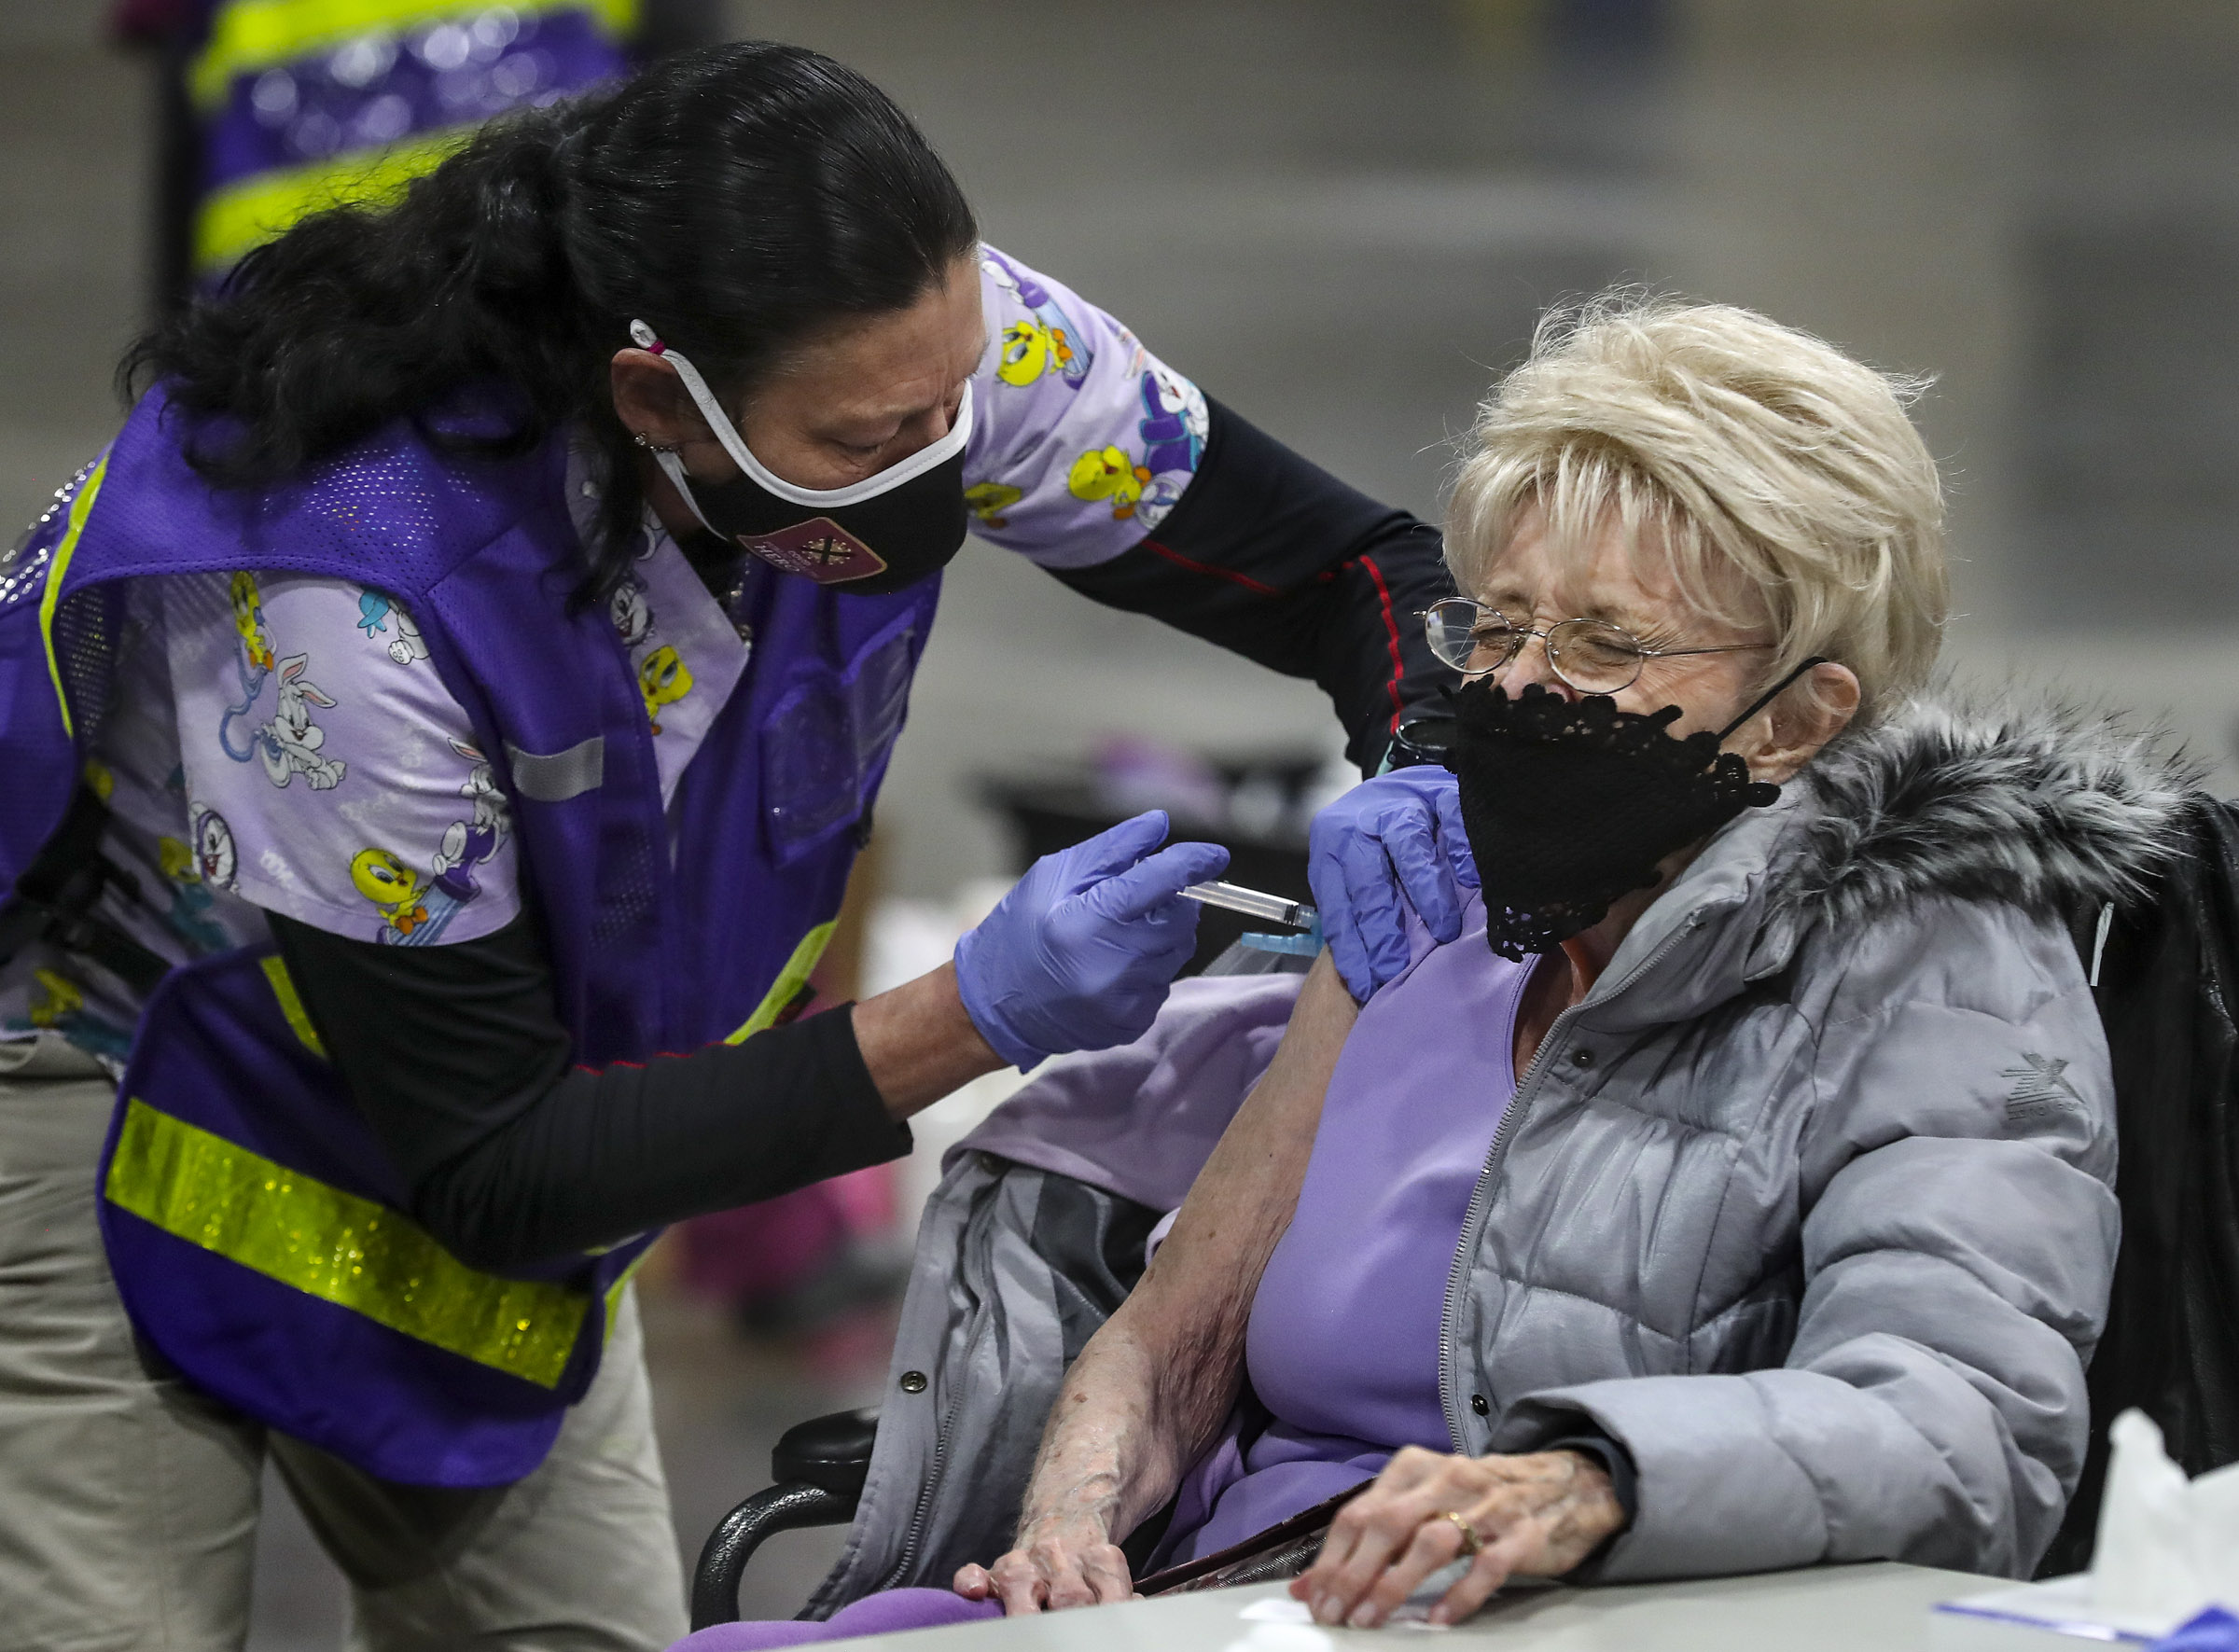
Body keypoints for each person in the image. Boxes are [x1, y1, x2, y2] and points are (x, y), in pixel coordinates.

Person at [0, 42, 1461, 1652]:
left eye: (947, 406)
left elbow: (1359, 571)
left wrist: (1438, 763)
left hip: (515, 1071)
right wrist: (978, 1011)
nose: (931, 459)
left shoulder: (939, 355)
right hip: (124, 1091)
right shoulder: (347, 601)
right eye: (858, 442)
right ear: (657, 401)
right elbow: (499, 1166)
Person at [668, 293, 2179, 1648]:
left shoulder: (1936, 964)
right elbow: (1178, 1338)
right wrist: (1071, 1521)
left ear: (1796, 717)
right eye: (1499, 626)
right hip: (1243, 1594)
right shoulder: (1426, 893)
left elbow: (1960, 1427)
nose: (1515, 689)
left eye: (1603, 646)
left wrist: (1585, 1484)